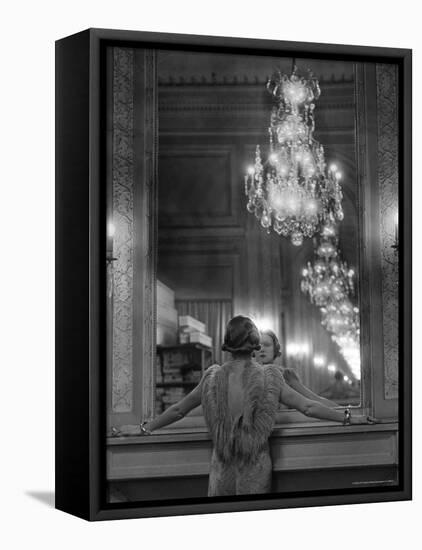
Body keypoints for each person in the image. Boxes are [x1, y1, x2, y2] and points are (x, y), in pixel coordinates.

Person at [137, 316, 375, 496]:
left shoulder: (212, 377)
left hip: (221, 468)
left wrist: (144, 428)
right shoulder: (270, 377)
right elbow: (308, 407)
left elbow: (179, 409)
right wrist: (349, 417)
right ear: (254, 345)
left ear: (228, 343)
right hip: (256, 467)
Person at [256, 329, 338, 408]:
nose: (262, 349)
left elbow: (313, 399)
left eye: (267, 345)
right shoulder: (249, 375)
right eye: (258, 346)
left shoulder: (286, 375)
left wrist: (345, 411)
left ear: (275, 349)